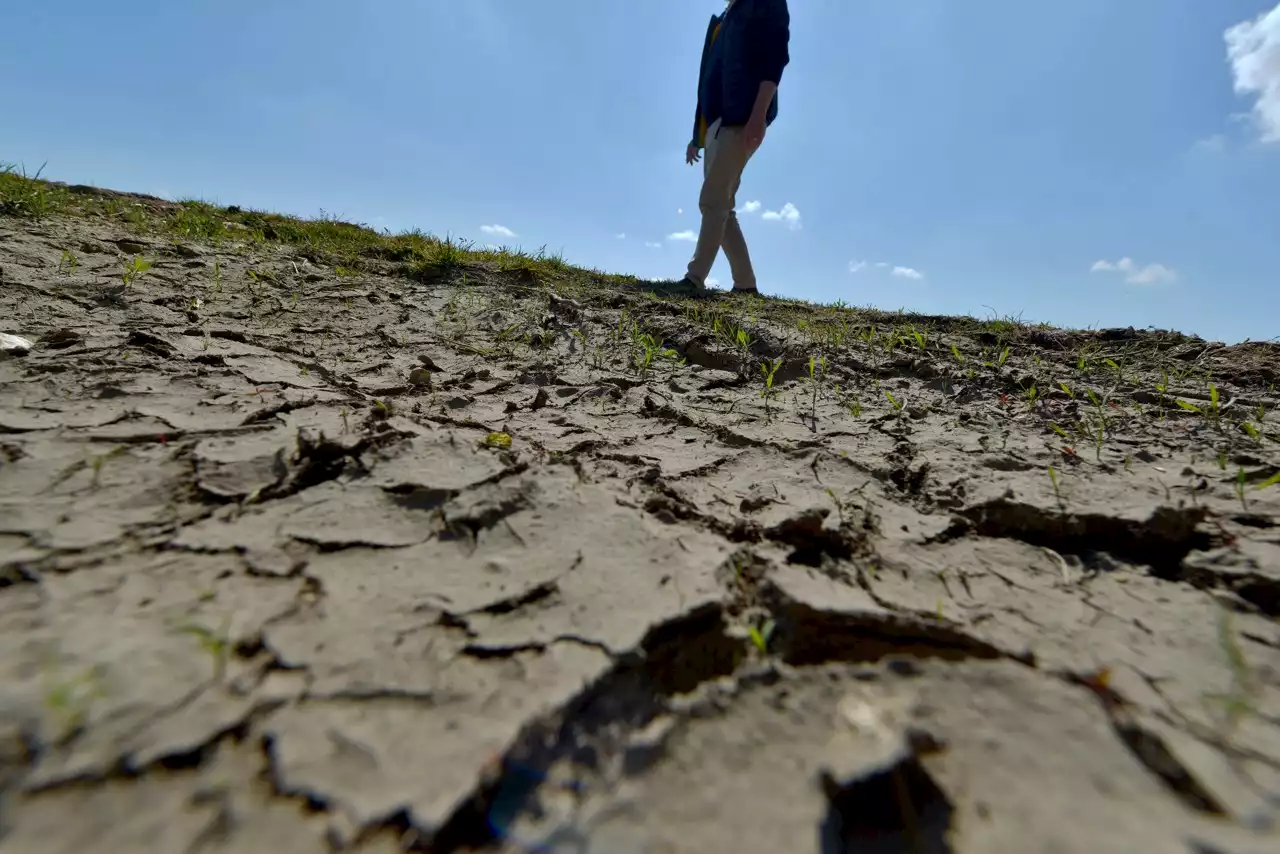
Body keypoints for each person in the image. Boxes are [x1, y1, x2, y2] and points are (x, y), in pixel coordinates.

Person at [674, 0, 790, 297]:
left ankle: (694, 278)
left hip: (742, 118)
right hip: (715, 122)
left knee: (712, 201)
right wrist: (696, 137)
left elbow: (775, 57)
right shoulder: (724, 17)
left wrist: (758, 116)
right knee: (722, 206)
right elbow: (709, 79)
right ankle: (745, 284)